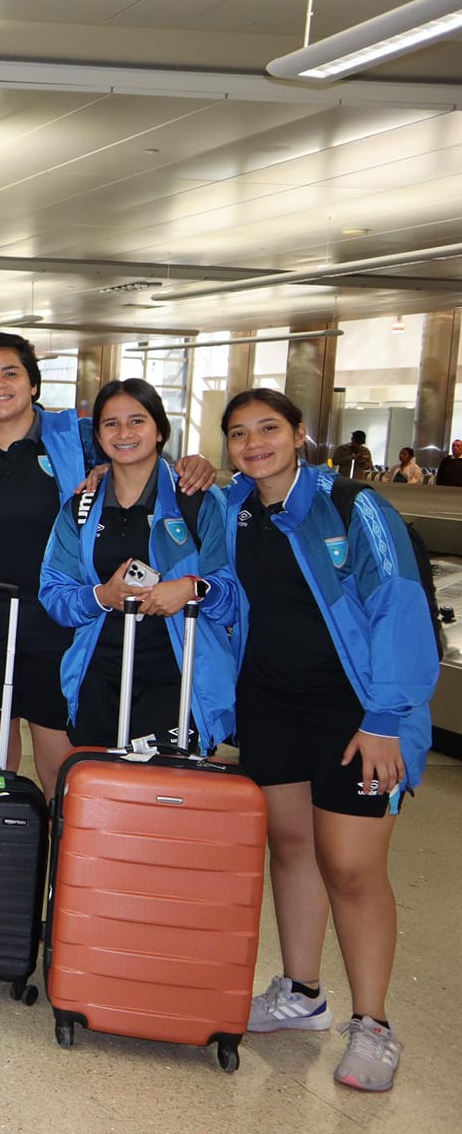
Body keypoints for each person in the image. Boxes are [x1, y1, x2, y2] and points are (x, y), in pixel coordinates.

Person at [221, 389, 435, 1093]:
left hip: (355, 710)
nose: (255, 444)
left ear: (301, 434)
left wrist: (385, 717)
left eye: (269, 429)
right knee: (290, 847)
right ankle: (302, 993)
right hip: (272, 704)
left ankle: (374, 1025)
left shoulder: (355, 507)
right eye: (241, 434)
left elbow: (399, 603)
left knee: (350, 864)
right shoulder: (238, 509)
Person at [0, 333, 214, 796]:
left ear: (34, 384)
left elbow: (132, 452)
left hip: (58, 625)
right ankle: (6, 856)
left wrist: (192, 462)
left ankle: (61, 863)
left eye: (11, 373)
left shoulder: (75, 437)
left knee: (61, 768)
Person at [37, 380, 238, 757]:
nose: (124, 433)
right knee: (101, 804)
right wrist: (102, 596)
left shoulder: (197, 501)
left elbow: (232, 596)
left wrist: (191, 590)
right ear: (97, 435)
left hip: (179, 685)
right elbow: (54, 592)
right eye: (111, 424)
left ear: (160, 429)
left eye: (137, 421)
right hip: (99, 679)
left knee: (168, 805)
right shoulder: (80, 508)